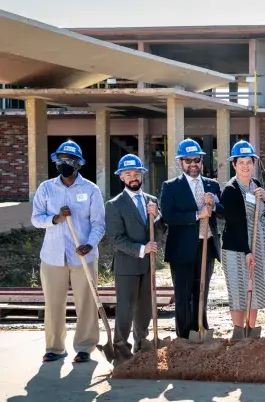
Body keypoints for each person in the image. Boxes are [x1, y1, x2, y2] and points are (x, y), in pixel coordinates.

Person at [30, 141, 106, 363]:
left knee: (86, 302)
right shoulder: (46, 189)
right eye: (61, 160)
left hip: (83, 256)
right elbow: (36, 219)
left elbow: (98, 224)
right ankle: (54, 347)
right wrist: (56, 218)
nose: (65, 164)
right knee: (54, 304)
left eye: (70, 160)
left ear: (79, 164)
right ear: (56, 162)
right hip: (53, 257)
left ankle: (85, 346)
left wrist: (89, 244)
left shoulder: (91, 190)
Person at [159, 138, 224, 340]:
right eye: (188, 161)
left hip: (207, 245)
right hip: (182, 249)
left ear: (201, 161)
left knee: (202, 290)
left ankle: (200, 328)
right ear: (180, 163)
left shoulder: (211, 185)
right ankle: (185, 336)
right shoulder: (171, 187)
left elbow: (222, 213)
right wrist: (197, 215)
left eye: (196, 160)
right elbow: (168, 216)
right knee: (183, 293)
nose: (193, 164)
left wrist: (214, 205)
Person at [104, 154, 163, 358]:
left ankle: (141, 344)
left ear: (142, 175)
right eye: (128, 174)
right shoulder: (114, 205)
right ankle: (120, 348)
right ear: (121, 177)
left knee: (145, 308)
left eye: (136, 173)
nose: (133, 177)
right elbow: (115, 238)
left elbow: (161, 231)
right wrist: (141, 249)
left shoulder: (152, 201)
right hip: (127, 265)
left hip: (148, 265)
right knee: (125, 309)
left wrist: (157, 216)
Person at [219, 141, 265, 331]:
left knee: (255, 287)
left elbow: (264, 213)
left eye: (249, 162)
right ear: (234, 165)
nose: (245, 166)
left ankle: (251, 328)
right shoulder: (231, 190)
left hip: (256, 244)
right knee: (239, 289)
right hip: (236, 247)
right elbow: (235, 223)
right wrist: (246, 251)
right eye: (241, 162)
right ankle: (238, 330)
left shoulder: (256, 184)